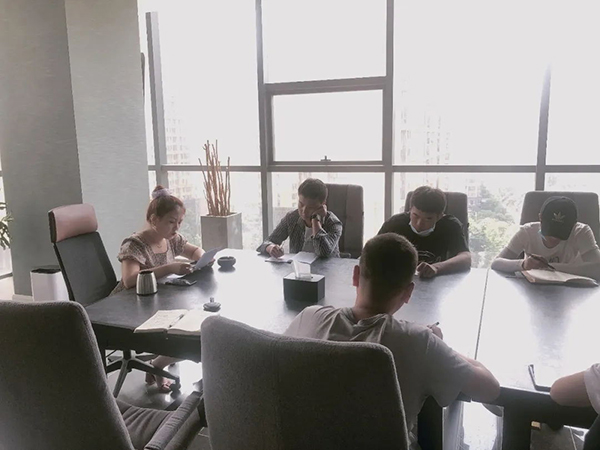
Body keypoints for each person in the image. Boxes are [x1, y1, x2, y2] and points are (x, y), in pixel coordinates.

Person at [284, 233, 500, 445]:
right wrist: (439, 344)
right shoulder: (418, 343)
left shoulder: (310, 317)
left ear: (355, 275)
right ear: (408, 293)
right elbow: (490, 389)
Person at [112, 185, 210, 392]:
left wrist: (203, 259)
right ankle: (159, 364)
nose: (176, 228)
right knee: (189, 330)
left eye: (179, 222)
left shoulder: (171, 240)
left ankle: (160, 361)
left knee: (198, 322)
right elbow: (129, 280)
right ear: (154, 219)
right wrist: (170, 268)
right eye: (171, 222)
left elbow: (195, 250)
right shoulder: (134, 244)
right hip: (130, 306)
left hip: (158, 300)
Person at [491, 196, 600, 280]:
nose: (554, 237)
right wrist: (523, 264)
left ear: (573, 225)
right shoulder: (527, 232)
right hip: (533, 287)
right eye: (550, 230)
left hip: (571, 289)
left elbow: (598, 268)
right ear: (540, 218)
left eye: (561, 232)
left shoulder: (581, 231)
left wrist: (550, 267)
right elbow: (496, 263)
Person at [377, 186, 471, 278]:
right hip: (398, 280)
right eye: (415, 215)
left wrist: (436, 267)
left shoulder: (450, 225)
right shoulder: (395, 223)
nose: (419, 224)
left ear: (439, 216)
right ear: (410, 209)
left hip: (434, 282)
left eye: (428, 219)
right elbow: (372, 252)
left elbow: (466, 258)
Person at [257, 178, 343, 258]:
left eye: (311, 207)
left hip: (327, 268)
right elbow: (266, 242)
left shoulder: (333, 223)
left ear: (323, 203)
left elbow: (323, 253)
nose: (304, 211)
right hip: (298, 267)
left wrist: (315, 220)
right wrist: (270, 247)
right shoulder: (292, 218)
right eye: (301, 204)